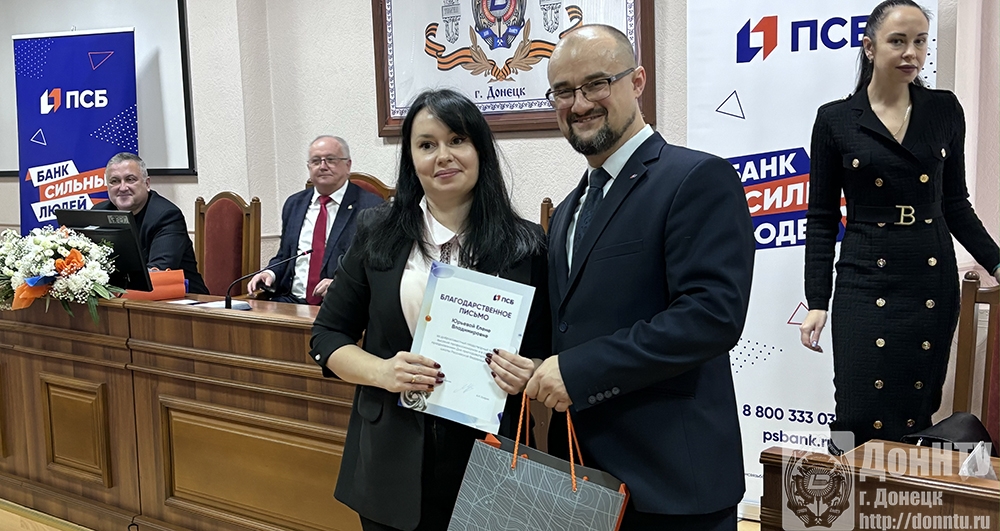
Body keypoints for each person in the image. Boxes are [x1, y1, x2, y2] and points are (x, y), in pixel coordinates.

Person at [525, 25, 755, 531]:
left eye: (596, 83)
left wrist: (578, 372)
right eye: (563, 91)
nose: (579, 103)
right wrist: (533, 365)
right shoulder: (568, 210)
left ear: (637, 81)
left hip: (671, 485)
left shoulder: (697, 179)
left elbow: (710, 317)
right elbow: (570, 325)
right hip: (583, 479)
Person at [309, 89, 550, 531]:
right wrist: (382, 371)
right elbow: (327, 336)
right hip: (390, 458)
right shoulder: (376, 231)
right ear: (411, 158)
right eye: (426, 144)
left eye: (457, 140)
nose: (443, 156)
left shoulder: (525, 244)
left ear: (480, 149)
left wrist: (529, 370)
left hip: (490, 459)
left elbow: (544, 349)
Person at [801, 0, 1000, 451]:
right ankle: (849, 495)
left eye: (920, 41)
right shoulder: (835, 119)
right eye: (898, 41)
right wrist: (817, 300)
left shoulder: (944, 110)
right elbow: (822, 218)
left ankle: (900, 494)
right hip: (863, 276)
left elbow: (956, 205)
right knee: (854, 409)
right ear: (869, 47)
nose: (912, 53)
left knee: (915, 409)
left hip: (928, 277)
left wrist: (996, 262)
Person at [247, 136, 382, 304]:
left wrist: (341, 284)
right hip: (290, 301)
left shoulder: (372, 207)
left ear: (348, 165)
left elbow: (376, 267)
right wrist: (270, 273)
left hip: (341, 304)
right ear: (309, 167)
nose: (323, 166)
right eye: (316, 161)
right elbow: (284, 256)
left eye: (330, 160)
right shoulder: (294, 204)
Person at [93, 152, 208, 294]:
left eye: (130, 180)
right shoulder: (99, 213)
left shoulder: (166, 215)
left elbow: (158, 271)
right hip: (120, 297)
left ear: (147, 184)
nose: (122, 188)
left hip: (183, 299)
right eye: (114, 181)